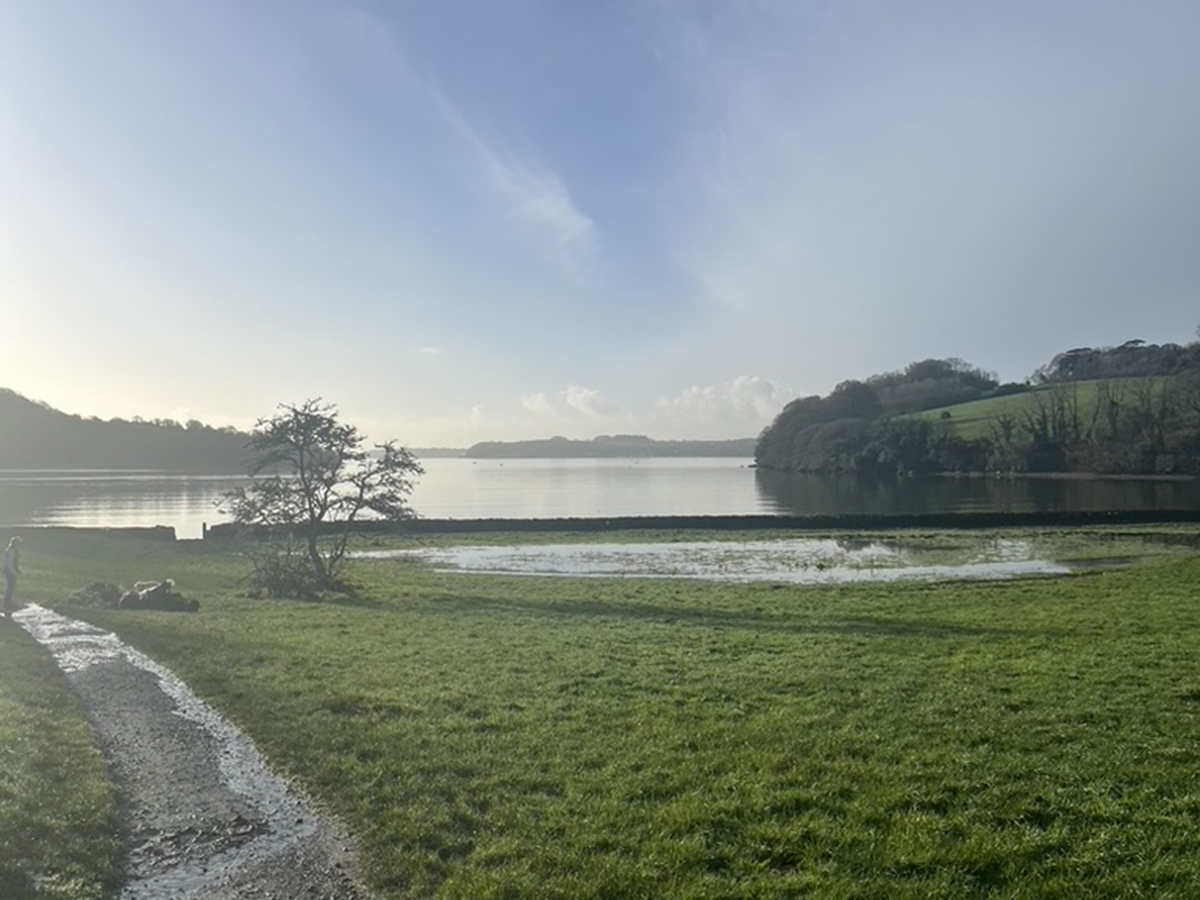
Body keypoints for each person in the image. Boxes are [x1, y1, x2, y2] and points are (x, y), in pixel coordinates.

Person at [4, 536, 22, 613]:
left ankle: (8, 600)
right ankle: (8, 602)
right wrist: (13, 571)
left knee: (11, 586)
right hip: (9, 570)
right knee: (10, 586)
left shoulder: (13, 550)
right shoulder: (11, 551)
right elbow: (9, 563)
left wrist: (17, 570)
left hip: (10, 570)